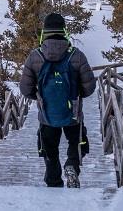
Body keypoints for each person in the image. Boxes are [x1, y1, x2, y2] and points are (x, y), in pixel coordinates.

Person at [19, 12, 96, 188]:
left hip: (46, 114)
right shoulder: (77, 55)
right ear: (64, 31)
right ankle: (72, 165)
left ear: (44, 32)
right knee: (77, 142)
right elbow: (90, 87)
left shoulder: (35, 56)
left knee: (49, 149)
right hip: (73, 112)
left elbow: (25, 88)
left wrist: (38, 97)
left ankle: (53, 182)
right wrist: (77, 95)